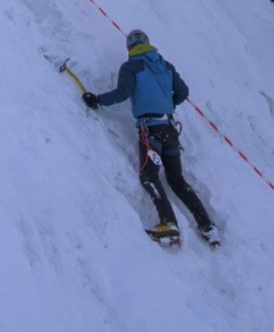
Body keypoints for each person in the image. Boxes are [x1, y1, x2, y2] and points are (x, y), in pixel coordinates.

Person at [82, 28, 217, 245]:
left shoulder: (131, 66)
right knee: (177, 180)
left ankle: (169, 223)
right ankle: (207, 226)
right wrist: (167, 105)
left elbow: (123, 92)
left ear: (129, 48)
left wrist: (97, 99)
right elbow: (183, 92)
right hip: (170, 130)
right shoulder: (165, 65)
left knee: (149, 176)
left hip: (150, 131)